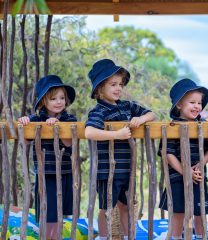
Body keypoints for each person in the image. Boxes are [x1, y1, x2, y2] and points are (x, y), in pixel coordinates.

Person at [84, 59, 156, 240]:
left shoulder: (127, 106)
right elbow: (89, 132)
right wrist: (117, 134)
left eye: (120, 84)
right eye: (113, 84)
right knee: (106, 207)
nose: (118, 88)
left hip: (126, 170)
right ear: (100, 88)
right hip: (107, 170)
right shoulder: (99, 111)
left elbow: (152, 114)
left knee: (126, 205)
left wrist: (141, 119)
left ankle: (126, 236)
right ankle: (102, 236)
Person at [158, 78, 208, 240]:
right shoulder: (172, 126)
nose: (197, 106)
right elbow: (168, 154)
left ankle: (201, 237)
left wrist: (200, 164)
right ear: (179, 105)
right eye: (192, 102)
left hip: (198, 177)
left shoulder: (203, 125)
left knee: (200, 213)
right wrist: (186, 172)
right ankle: (176, 237)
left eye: (199, 103)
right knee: (178, 213)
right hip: (177, 178)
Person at [18, 75, 76, 240]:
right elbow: (26, 138)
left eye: (62, 98)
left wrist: (57, 127)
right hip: (45, 173)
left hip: (63, 172)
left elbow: (68, 142)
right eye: (53, 98)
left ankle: (55, 236)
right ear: (44, 101)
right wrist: (25, 121)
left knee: (58, 211)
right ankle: (47, 236)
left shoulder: (69, 119)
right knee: (46, 209)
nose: (59, 102)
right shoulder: (37, 118)